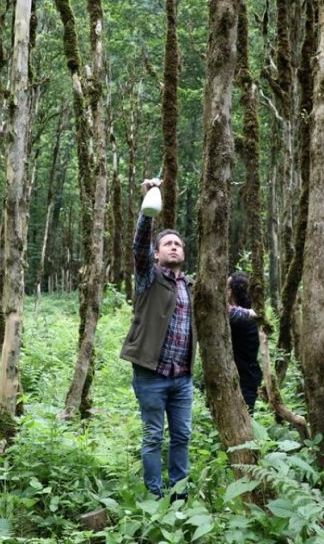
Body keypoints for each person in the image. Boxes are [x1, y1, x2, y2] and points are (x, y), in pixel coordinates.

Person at [120, 178, 194, 500]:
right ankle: (155, 496)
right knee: (153, 436)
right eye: (168, 244)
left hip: (182, 378)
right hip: (152, 374)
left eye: (178, 244)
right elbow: (139, 246)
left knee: (182, 436)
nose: (174, 246)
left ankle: (179, 496)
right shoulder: (149, 277)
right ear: (156, 254)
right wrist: (148, 208)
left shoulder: (188, 285)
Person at [227, 272, 263, 412]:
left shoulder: (243, 318)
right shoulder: (250, 314)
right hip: (247, 376)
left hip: (244, 379)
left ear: (230, 292)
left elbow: (225, 311)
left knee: (244, 420)